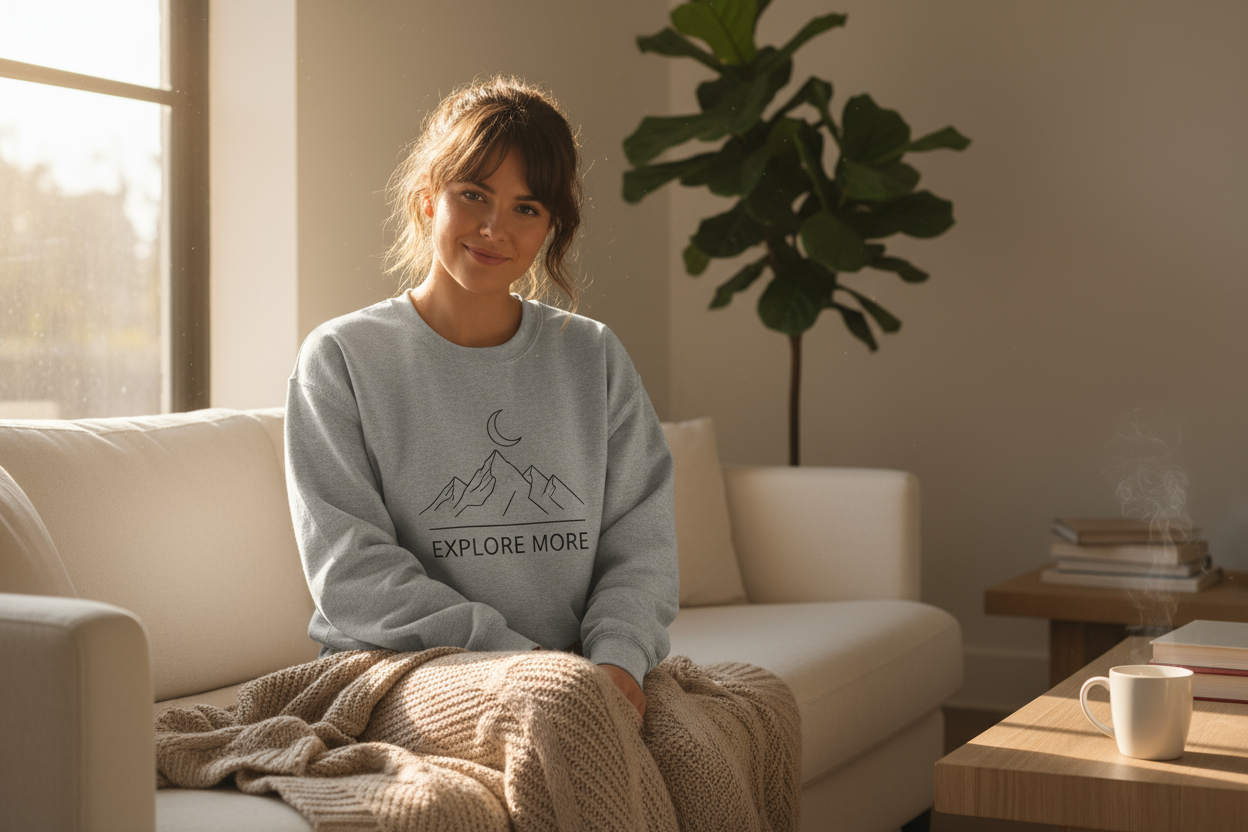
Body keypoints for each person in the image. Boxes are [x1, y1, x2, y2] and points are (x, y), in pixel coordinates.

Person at [283, 77, 679, 720]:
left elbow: (642, 544)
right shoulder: (341, 357)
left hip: (577, 668)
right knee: (563, 737)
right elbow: (353, 574)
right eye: (474, 195)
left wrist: (617, 660)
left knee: (729, 726)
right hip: (401, 667)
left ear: (551, 227)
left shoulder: (593, 355)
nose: (495, 228)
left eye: (527, 208)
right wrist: (535, 666)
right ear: (427, 198)